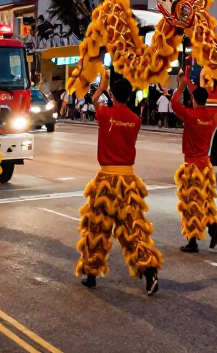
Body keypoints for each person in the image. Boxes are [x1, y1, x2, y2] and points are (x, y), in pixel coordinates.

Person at [75, 70, 162, 295]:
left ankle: (91, 274)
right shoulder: (136, 120)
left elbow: (93, 99)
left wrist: (102, 84)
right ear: (129, 95)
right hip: (128, 180)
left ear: (112, 95)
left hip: (106, 178)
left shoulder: (105, 113)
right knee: (134, 228)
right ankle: (150, 269)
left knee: (97, 227)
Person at [171, 74, 217, 253]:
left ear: (193, 99)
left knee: (190, 203)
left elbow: (174, 103)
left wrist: (181, 86)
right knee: (205, 200)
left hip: (192, 166)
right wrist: (189, 84)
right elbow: (198, 96)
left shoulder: (190, 115)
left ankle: (192, 241)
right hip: (205, 166)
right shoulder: (209, 116)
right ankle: (212, 226)